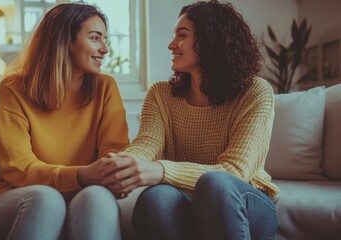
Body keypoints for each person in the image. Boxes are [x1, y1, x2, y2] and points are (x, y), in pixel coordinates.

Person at [101, 1, 279, 239]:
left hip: (244, 204)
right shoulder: (160, 94)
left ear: (211, 41)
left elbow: (234, 172)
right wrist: (123, 165)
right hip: (185, 200)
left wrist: (160, 170)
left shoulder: (256, 92)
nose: (171, 45)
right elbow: (147, 144)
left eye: (181, 36)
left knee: (216, 184)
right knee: (157, 197)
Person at [0, 3, 129, 240]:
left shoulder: (105, 87)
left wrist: (107, 173)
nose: (105, 49)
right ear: (64, 40)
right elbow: (18, 168)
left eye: (104, 39)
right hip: (18, 198)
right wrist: (80, 175)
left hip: (82, 196)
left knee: (97, 197)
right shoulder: (14, 89)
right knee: (46, 199)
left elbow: (114, 150)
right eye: (95, 38)